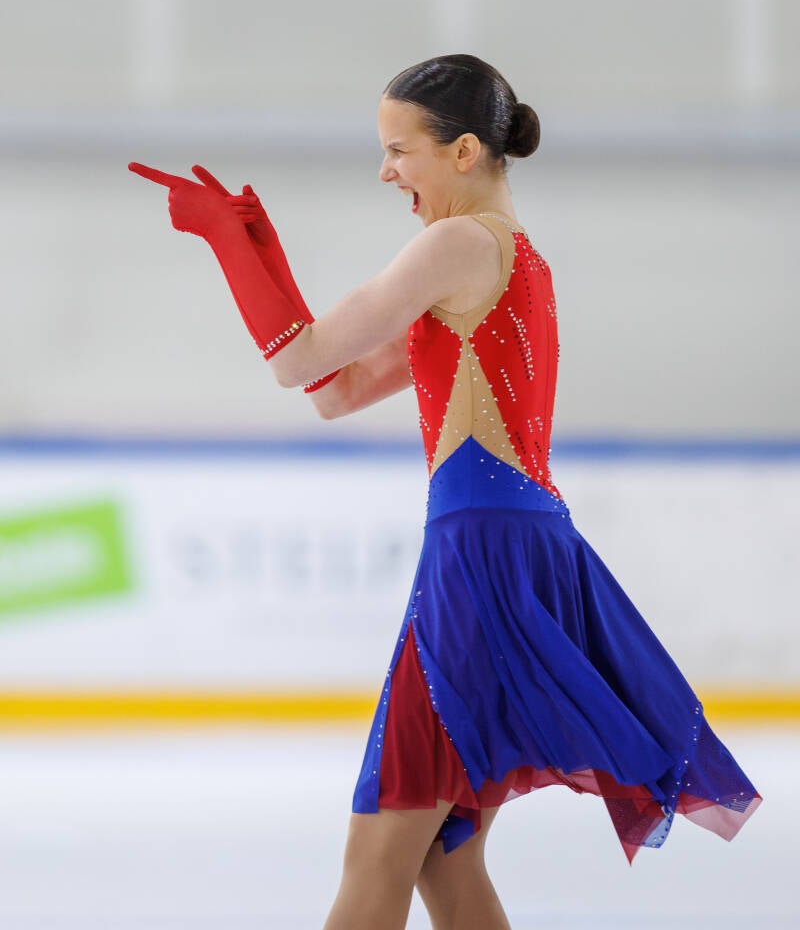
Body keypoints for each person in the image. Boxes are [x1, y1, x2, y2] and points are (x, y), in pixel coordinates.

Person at [130, 54, 761, 930]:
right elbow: (334, 392)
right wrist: (261, 245)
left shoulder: (456, 245)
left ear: (464, 151)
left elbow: (296, 361)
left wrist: (229, 246)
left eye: (400, 150)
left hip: (483, 556)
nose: (387, 171)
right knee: (440, 850)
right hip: (520, 544)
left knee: (384, 845)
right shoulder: (511, 259)